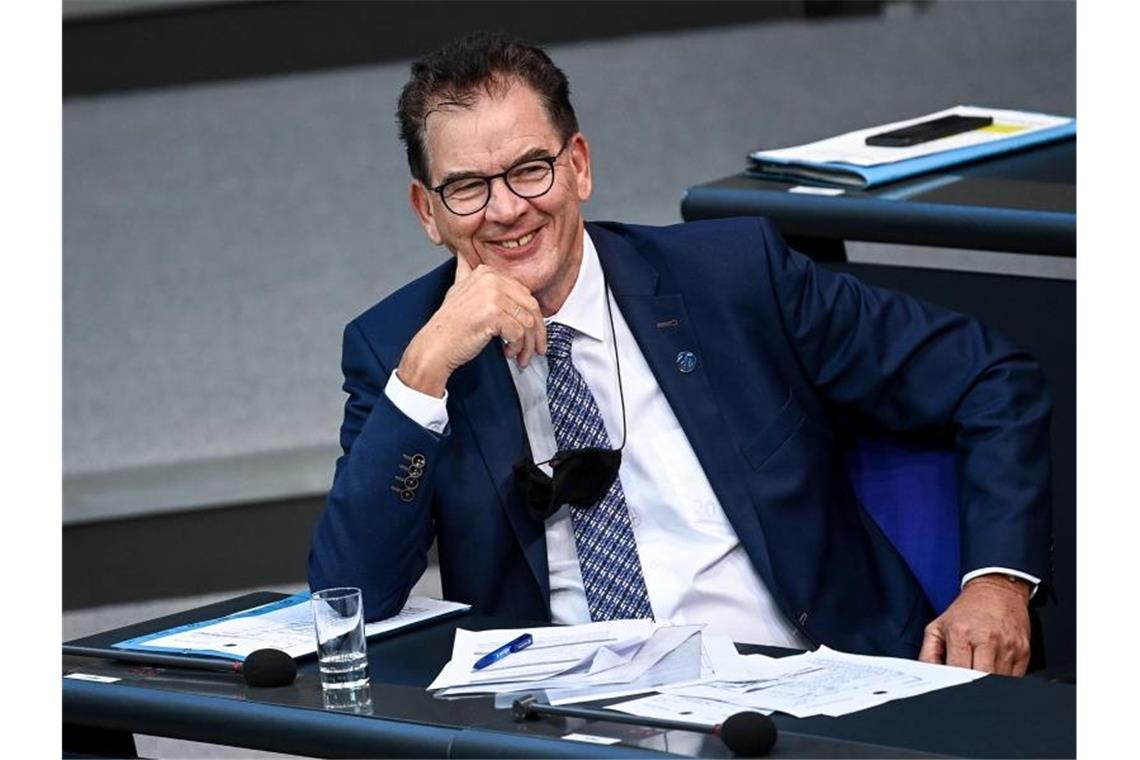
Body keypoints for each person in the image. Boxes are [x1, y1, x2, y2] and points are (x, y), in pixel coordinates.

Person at [308, 32, 1052, 676]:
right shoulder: (398, 350)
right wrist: (424, 376)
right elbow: (351, 605)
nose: (506, 209)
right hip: (570, 726)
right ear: (426, 213)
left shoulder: (733, 276)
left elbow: (990, 377)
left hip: (802, 691)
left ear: (579, 166)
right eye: (467, 187)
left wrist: (996, 582)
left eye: (530, 169)